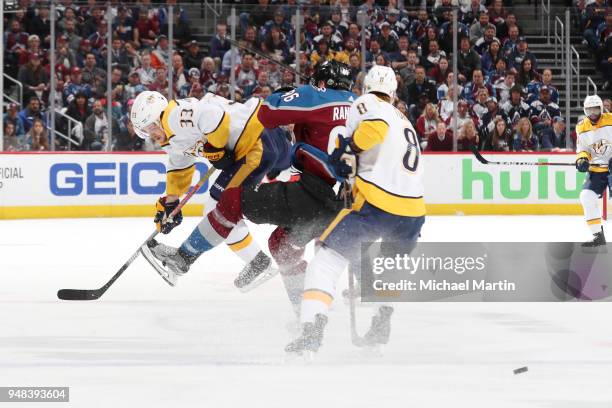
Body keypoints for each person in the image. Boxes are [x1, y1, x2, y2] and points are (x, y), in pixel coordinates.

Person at [285, 65, 426, 355]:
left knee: (326, 260)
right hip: (413, 213)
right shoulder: (404, 119)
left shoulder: (365, 104)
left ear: (365, 87)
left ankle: (311, 333)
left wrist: (348, 149)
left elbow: (373, 131)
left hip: (378, 205)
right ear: (393, 92)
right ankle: (381, 322)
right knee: (387, 270)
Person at [134, 91, 291, 288]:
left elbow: (213, 116)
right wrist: (172, 200)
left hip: (254, 143)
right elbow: (180, 164)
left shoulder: (173, 116)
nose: (152, 136)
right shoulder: (173, 135)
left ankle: (184, 259)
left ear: (157, 116)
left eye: (150, 128)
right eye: (146, 132)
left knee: (217, 208)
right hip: (267, 133)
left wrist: (216, 147)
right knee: (292, 169)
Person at [575, 95, 612, 247]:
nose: (593, 113)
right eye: (589, 110)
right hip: (596, 170)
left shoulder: (610, 119)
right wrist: (582, 160)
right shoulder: (581, 127)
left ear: (601, 108)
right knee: (586, 196)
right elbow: (583, 149)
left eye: (596, 109)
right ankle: (598, 235)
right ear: (585, 110)